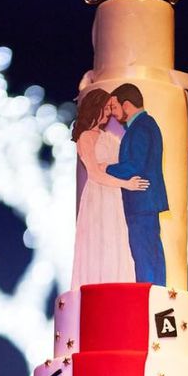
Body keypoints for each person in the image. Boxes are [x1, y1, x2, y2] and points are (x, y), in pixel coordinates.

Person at [70, 88, 149, 289]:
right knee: (99, 240)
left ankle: (116, 287)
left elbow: (123, 160)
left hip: (113, 195)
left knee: (116, 240)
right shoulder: (86, 137)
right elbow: (95, 173)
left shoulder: (110, 137)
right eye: (104, 109)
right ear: (94, 108)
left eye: (109, 108)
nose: (107, 114)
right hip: (98, 194)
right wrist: (126, 183)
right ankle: (95, 288)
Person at [103, 83, 169, 286]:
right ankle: (155, 293)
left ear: (127, 104)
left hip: (141, 202)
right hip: (145, 202)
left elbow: (135, 165)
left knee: (144, 253)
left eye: (114, 108)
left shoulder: (140, 128)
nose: (113, 114)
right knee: (151, 252)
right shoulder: (146, 124)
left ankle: (148, 295)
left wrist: (104, 168)